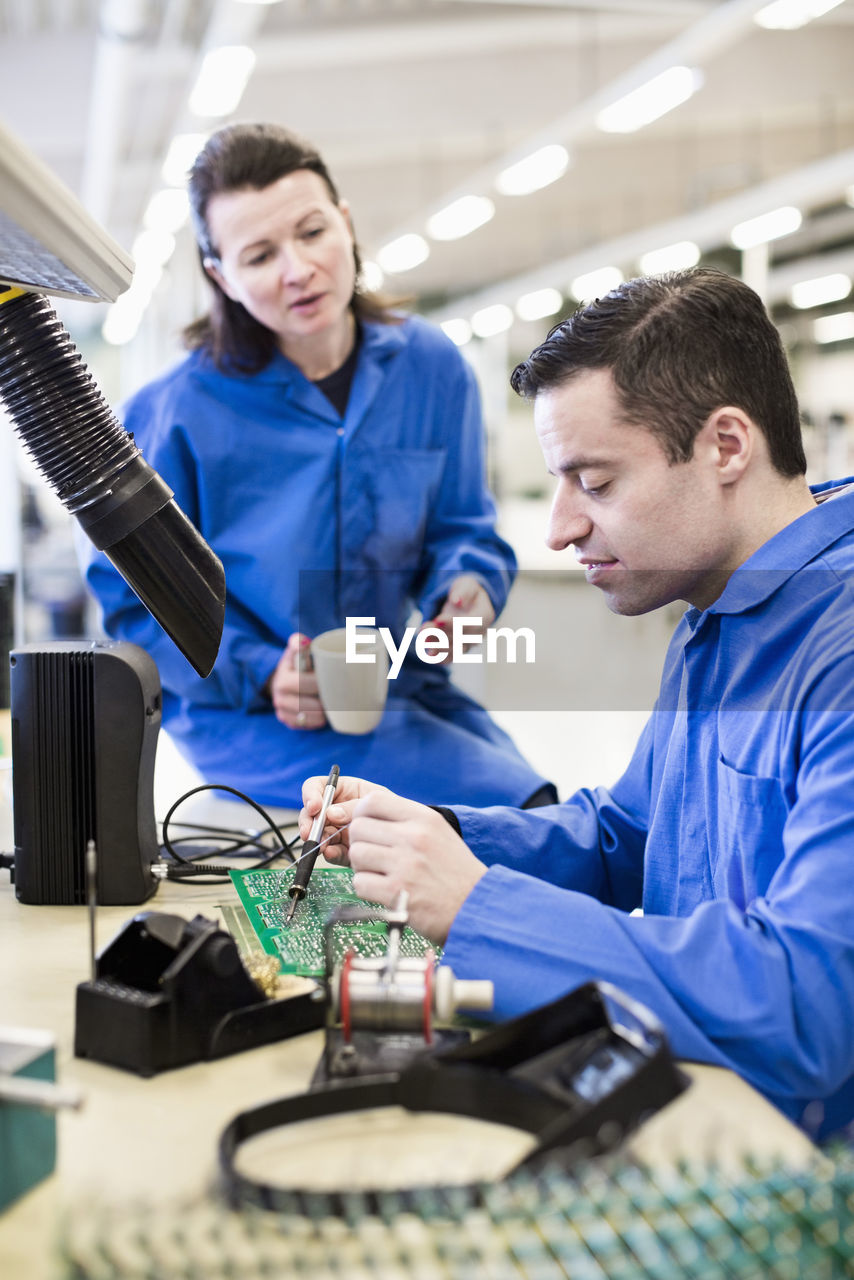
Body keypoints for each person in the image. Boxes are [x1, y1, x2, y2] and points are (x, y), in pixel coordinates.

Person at [300, 266, 854, 1141]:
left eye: (594, 483)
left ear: (726, 446)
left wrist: (477, 907)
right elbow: (629, 836)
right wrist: (436, 839)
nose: (559, 527)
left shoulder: (839, 647)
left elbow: (809, 1004)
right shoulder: (722, 604)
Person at [80, 122, 553, 811]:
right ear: (222, 277)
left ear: (346, 224)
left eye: (311, 232)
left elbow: (464, 530)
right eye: (260, 254)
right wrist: (264, 673)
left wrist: (469, 590)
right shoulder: (174, 414)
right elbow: (132, 604)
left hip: (394, 688)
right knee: (515, 811)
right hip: (250, 715)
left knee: (544, 812)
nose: (297, 269)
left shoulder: (431, 369)